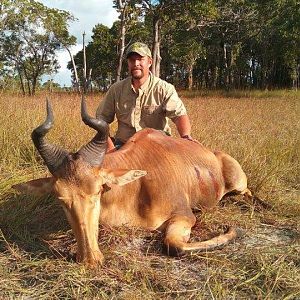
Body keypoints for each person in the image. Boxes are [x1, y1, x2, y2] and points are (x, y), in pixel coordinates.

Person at [96, 42, 197, 152]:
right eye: (132, 60)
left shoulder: (164, 88)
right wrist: (110, 147)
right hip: (124, 147)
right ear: (128, 63)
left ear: (150, 62)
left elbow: (179, 115)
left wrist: (186, 136)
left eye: (140, 59)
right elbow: (101, 120)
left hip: (158, 146)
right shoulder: (116, 89)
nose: (136, 63)